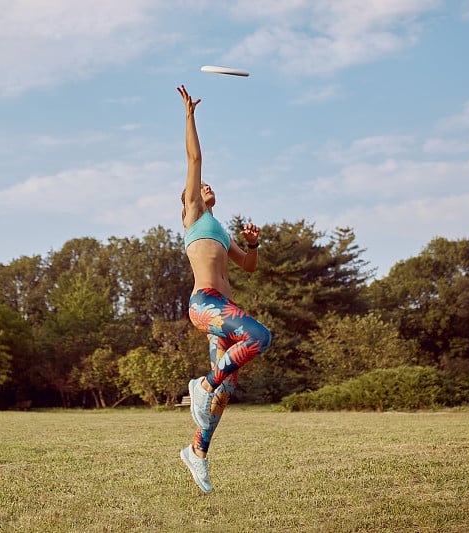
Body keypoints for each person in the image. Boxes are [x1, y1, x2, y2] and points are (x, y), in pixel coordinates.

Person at [176, 85, 272, 493]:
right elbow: (195, 158)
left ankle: (197, 452)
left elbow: (248, 266)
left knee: (226, 393)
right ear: (189, 201)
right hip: (205, 305)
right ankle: (204, 384)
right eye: (200, 186)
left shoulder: (220, 231)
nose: (206, 186)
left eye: (208, 185)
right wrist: (189, 116)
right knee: (259, 337)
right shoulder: (195, 217)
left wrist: (252, 244)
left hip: (223, 307)